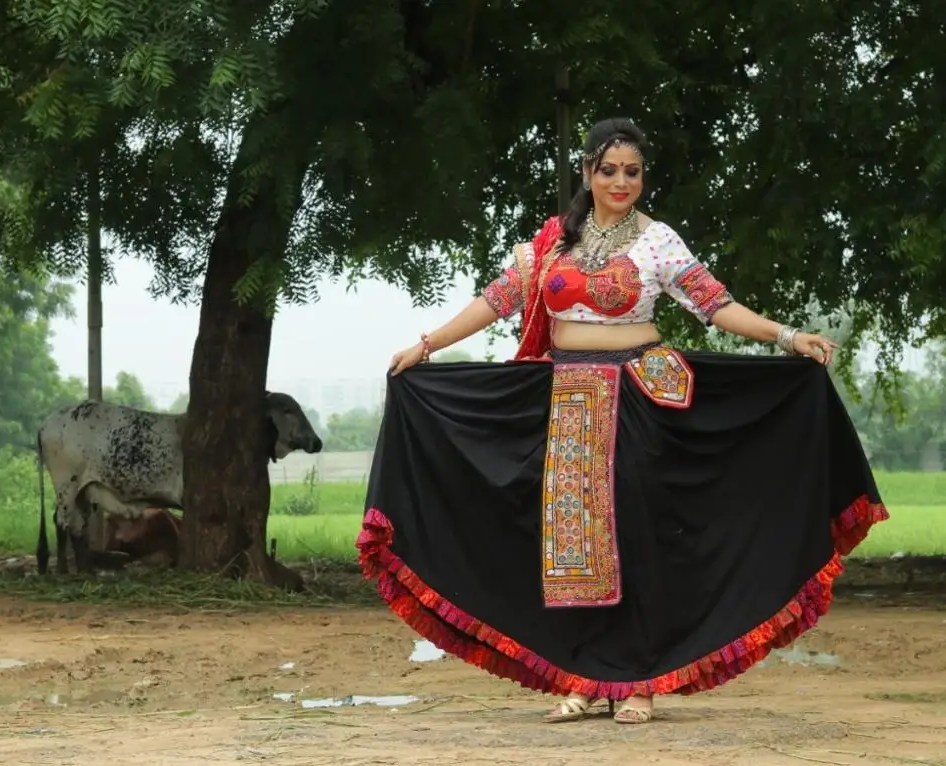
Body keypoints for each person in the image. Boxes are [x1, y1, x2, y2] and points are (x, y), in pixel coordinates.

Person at [358, 117, 888, 725]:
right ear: (587, 172)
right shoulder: (555, 240)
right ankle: (580, 677)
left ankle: (639, 683)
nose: (620, 181)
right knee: (570, 545)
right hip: (568, 400)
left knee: (636, 537)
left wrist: (786, 336)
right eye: (608, 170)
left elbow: (715, 304)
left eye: (631, 171)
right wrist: (425, 348)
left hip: (641, 397)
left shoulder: (658, 240)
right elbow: (498, 299)